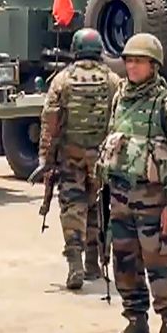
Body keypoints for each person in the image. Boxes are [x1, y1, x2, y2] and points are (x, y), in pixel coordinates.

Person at [96, 33, 167, 333]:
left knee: (160, 264)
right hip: (120, 197)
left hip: (153, 201)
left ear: (154, 65)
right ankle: (136, 323)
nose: (132, 66)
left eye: (139, 61)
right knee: (124, 262)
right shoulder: (119, 96)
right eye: (128, 60)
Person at [29, 28, 120, 290]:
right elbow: (118, 120)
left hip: (70, 157)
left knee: (73, 208)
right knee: (99, 209)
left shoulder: (62, 80)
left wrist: (45, 159)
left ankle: (75, 265)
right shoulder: (112, 79)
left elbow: (50, 122)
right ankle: (95, 264)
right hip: (101, 160)